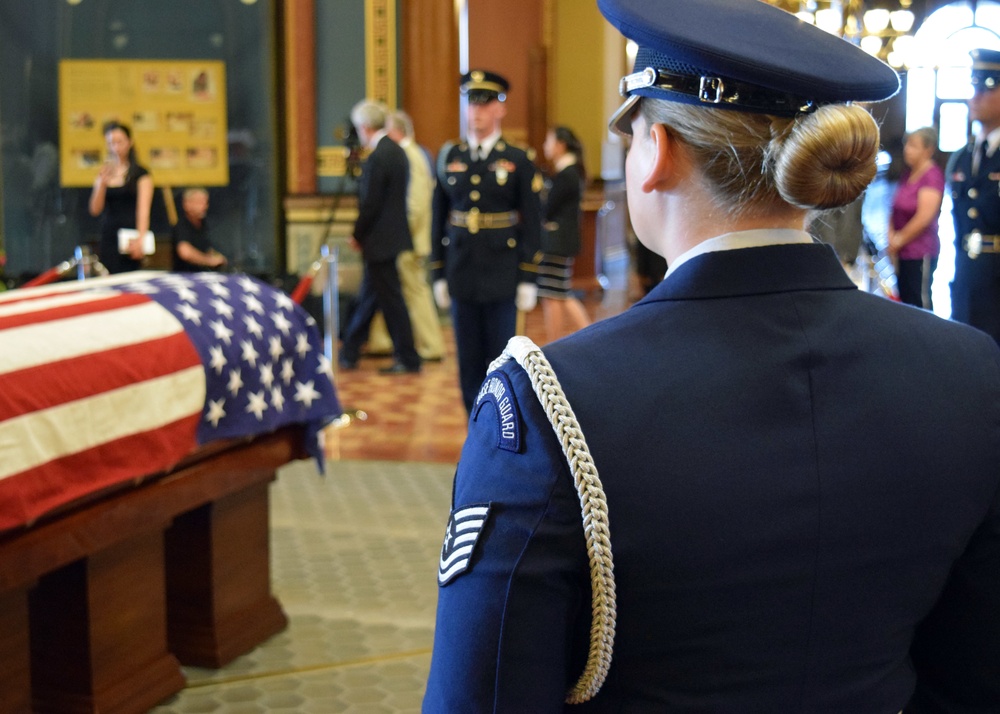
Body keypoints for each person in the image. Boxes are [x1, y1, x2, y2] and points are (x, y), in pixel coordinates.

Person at [423, 1, 1000, 711]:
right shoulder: (972, 372)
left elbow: (484, 696)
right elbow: (974, 676)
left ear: (656, 151)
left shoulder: (549, 404)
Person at [430, 70, 543, 413]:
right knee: (468, 361)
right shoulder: (452, 157)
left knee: (503, 360)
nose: (477, 110)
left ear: (500, 109)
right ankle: (474, 428)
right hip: (462, 271)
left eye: (486, 103)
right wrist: (437, 272)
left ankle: (502, 429)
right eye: (471, 102)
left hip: (503, 274)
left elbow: (534, 222)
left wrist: (527, 276)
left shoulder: (519, 160)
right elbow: (439, 218)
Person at [338, 99, 421, 375]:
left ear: (364, 126)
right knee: (372, 296)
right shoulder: (397, 151)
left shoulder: (377, 157)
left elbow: (371, 202)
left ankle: (407, 357)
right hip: (392, 237)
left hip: (379, 240)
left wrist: (357, 234)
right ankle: (350, 351)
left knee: (390, 301)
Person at [365, 110, 445, 361]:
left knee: (414, 291)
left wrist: (399, 232)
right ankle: (383, 341)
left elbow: (416, 202)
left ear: (396, 130)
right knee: (393, 290)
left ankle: (432, 346)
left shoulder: (410, 154)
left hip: (408, 239)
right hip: (405, 238)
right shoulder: (414, 152)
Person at [949, 48, 1000, 343]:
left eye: (987, 88)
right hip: (967, 278)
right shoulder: (962, 159)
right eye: (975, 87)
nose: (976, 96)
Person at [539, 126, 592, 342]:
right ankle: (583, 337)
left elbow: (548, 208)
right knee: (558, 292)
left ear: (560, 145)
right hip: (560, 240)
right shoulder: (569, 172)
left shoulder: (566, 174)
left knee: (553, 293)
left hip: (557, 241)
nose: (545, 146)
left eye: (549, 141)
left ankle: (556, 344)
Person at [889, 126, 944, 310]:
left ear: (928, 150)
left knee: (919, 302)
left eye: (913, 146)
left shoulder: (932, 176)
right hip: (901, 249)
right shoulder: (908, 174)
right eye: (907, 145)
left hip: (920, 251)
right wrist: (891, 238)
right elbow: (895, 208)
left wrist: (899, 239)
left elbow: (924, 218)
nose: (907, 150)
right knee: (904, 301)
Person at [88, 121, 153, 274]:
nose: (115, 147)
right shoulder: (105, 172)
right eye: (111, 143)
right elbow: (95, 209)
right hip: (109, 234)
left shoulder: (140, 174)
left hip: (130, 235)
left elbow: (143, 210)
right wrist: (101, 184)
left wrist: (140, 239)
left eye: (119, 142)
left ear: (129, 142)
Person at [171, 187, 227, 272]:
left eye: (206, 202)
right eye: (199, 202)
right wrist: (208, 261)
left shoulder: (204, 225)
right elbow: (185, 252)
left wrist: (217, 257)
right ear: (187, 204)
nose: (204, 206)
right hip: (186, 276)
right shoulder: (182, 226)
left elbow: (207, 248)